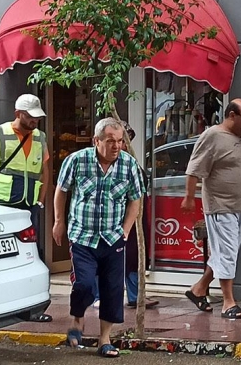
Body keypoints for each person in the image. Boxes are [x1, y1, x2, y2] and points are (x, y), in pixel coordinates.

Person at [53, 118, 145, 358]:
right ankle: (77, 319)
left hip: (113, 236)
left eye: (120, 141)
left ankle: (105, 339)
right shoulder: (77, 161)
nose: (116, 146)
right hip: (82, 236)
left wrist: (125, 230)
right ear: (97, 141)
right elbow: (61, 191)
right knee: (83, 284)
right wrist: (59, 222)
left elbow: (135, 199)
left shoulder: (129, 165)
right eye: (110, 141)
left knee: (113, 289)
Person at [182, 98, 241, 320]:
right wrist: (189, 197)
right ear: (232, 115)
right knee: (228, 251)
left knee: (226, 252)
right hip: (220, 205)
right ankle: (228, 302)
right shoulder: (212, 136)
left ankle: (199, 289)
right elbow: (193, 169)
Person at [0, 94, 52, 322]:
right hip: (3, 206)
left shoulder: (39, 137)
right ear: (18, 114)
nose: (35, 121)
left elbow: (45, 170)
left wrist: (40, 200)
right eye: (31, 117)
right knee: (2, 257)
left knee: (32, 257)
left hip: (29, 207)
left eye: (37, 118)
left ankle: (34, 308)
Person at [120, 122, 159, 309]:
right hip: (121, 215)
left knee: (133, 254)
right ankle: (99, 295)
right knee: (124, 254)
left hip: (134, 214)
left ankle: (136, 294)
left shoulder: (129, 160)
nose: (125, 144)